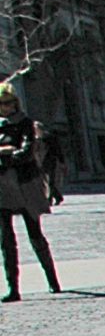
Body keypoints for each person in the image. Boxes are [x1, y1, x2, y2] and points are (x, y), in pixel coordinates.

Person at [0, 84, 62, 301]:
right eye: (1, 104)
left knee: (35, 233)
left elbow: (26, 153)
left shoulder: (25, 124)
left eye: (8, 103)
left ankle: (53, 281)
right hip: (3, 187)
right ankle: (13, 288)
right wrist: (7, 152)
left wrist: (6, 154)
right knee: (6, 240)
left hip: (25, 184)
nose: (5, 108)